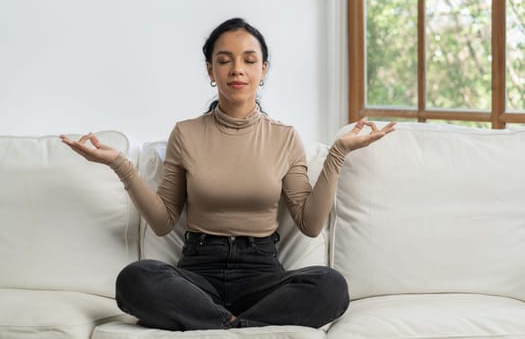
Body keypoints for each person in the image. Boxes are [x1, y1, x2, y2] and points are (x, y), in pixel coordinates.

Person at [61, 17, 396, 331]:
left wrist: (338, 153)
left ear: (263, 70)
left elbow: (309, 224)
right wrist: (120, 165)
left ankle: (220, 327)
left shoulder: (284, 137)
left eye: (249, 60)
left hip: (262, 273)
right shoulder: (186, 134)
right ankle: (244, 329)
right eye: (224, 60)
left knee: (331, 287)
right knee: (135, 280)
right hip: (197, 274)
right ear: (211, 70)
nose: (237, 69)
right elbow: (163, 222)